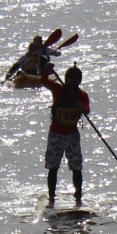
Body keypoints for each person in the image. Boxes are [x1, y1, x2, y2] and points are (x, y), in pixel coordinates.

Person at [40, 62, 90, 204]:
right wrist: (46, 70)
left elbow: (86, 110)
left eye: (76, 79)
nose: (72, 81)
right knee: (53, 167)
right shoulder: (58, 89)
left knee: (76, 167)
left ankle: (78, 196)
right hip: (56, 134)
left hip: (72, 136)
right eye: (70, 78)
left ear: (79, 81)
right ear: (66, 78)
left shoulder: (82, 95)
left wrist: (82, 108)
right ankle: (51, 197)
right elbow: (44, 81)